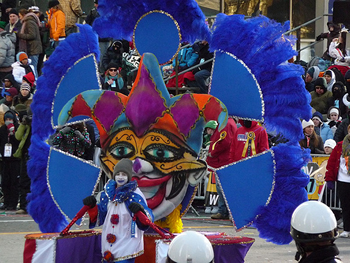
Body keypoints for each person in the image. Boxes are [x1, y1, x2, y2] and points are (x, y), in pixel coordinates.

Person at [83, 158, 154, 263]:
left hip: (127, 242)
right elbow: (101, 215)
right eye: (118, 174)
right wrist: (92, 206)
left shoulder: (135, 194)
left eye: (124, 175)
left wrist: (140, 210)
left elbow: (147, 219)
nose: (120, 177)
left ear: (129, 176)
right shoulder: (107, 194)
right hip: (108, 243)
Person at [206, 117, 237, 219]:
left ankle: (225, 211)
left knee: (222, 187)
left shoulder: (226, 124)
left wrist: (213, 153)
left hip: (223, 160)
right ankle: (225, 211)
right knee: (223, 187)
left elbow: (224, 142)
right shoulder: (227, 123)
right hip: (225, 159)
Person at [325, 124, 350, 238]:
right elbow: (331, 163)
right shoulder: (340, 146)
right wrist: (329, 179)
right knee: (345, 206)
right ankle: (347, 229)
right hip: (343, 180)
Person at [0, 110, 20, 211]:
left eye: (10, 119)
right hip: (5, 159)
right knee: (5, 182)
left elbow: (18, 141)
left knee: (14, 182)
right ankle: (6, 201)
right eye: (7, 119)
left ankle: (13, 202)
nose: (8, 121)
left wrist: (13, 134)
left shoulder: (17, 129)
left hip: (15, 159)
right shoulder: (2, 129)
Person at [13, 105, 32, 214]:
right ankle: (24, 206)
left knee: (36, 181)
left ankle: (34, 205)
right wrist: (23, 124)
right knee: (23, 181)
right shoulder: (26, 125)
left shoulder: (42, 123)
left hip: (38, 156)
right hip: (26, 155)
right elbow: (17, 136)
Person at [85, 0, 110, 73]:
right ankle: (100, 72)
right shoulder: (108, 12)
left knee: (100, 56)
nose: (96, 5)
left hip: (99, 38)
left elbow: (87, 24)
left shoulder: (93, 12)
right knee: (102, 56)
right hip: (103, 38)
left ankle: (98, 72)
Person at [17, 9, 42, 78]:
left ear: (24, 15)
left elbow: (32, 35)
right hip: (32, 48)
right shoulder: (28, 22)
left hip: (33, 49)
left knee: (33, 69)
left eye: (20, 16)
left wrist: (20, 35)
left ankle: (36, 85)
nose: (19, 18)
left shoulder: (29, 22)